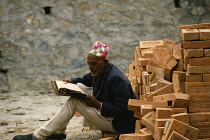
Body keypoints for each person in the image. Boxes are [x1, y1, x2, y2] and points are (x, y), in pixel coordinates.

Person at [13, 41, 137, 140]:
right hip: (108, 116)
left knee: (74, 102)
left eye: (93, 64)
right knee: (79, 86)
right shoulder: (100, 71)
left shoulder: (116, 79)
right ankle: (59, 132)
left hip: (119, 124)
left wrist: (98, 104)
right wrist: (70, 82)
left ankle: (39, 136)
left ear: (104, 62)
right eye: (88, 63)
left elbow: (123, 111)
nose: (90, 67)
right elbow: (85, 79)